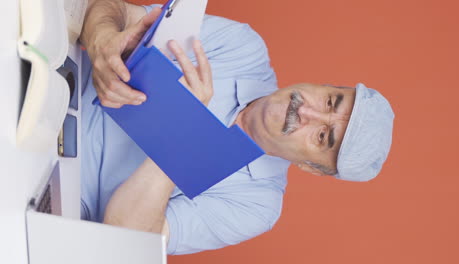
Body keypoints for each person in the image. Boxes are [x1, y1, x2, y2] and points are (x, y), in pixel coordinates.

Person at [80, 1, 395, 255]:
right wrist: (104, 45)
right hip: (56, 81)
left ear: (310, 167)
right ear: (324, 84)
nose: (306, 111)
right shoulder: (242, 47)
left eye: (323, 136)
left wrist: (183, 132)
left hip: (55, 191)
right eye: (329, 101)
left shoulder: (256, 205)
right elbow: (111, 9)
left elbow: (126, 238)